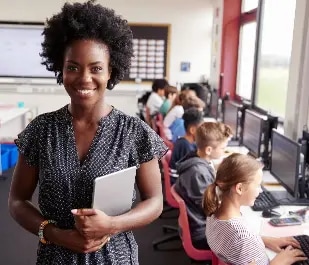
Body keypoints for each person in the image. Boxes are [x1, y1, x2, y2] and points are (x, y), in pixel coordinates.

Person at [8, 2, 168, 265]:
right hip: (55, 257)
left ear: (110, 72)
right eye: (73, 67)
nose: (84, 78)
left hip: (116, 258)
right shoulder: (41, 130)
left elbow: (155, 201)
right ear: (60, 68)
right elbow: (17, 201)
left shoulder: (134, 132)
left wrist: (113, 225)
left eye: (96, 68)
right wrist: (55, 234)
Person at [204, 153, 307, 265]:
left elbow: (235, 243)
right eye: (258, 185)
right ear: (239, 188)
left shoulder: (213, 212)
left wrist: (265, 240)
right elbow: (242, 240)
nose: (261, 190)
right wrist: (279, 262)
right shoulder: (242, 236)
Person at [174, 122, 232, 250]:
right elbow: (211, 209)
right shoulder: (197, 173)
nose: (224, 151)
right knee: (244, 237)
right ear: (209, 150)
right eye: (222, 149)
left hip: (202, 224)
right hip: (202, 233)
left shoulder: (197, 162)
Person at [169, 107, 203, 182]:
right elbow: (192, 171)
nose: (202, 132)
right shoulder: (184, 146)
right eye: (200, 128)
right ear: (192, 130)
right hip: (179, 184)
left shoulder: (189, 143)